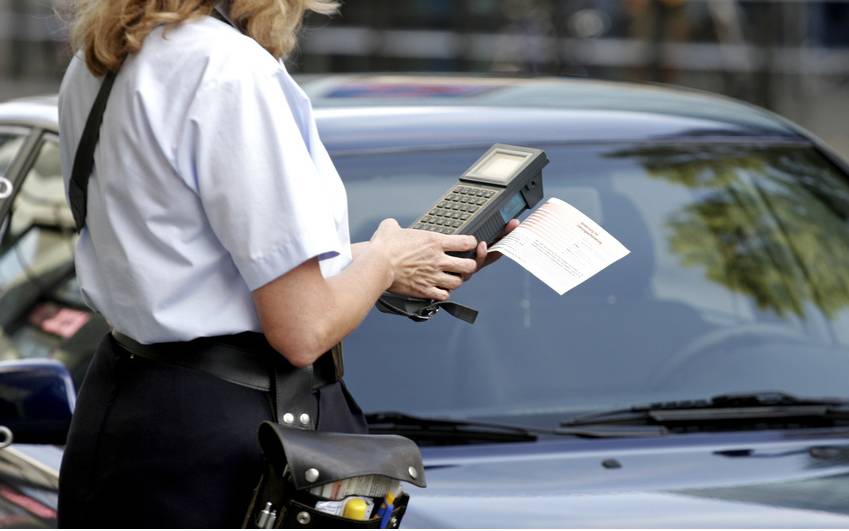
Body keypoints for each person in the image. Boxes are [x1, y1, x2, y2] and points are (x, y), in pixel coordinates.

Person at [57, 0, 515, 527]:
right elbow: (303, 329)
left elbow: (187, 260)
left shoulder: (105, 58)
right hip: (234, 444)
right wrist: (385, 261)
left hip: (127, 414)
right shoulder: (229, 68)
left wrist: (388, 262)